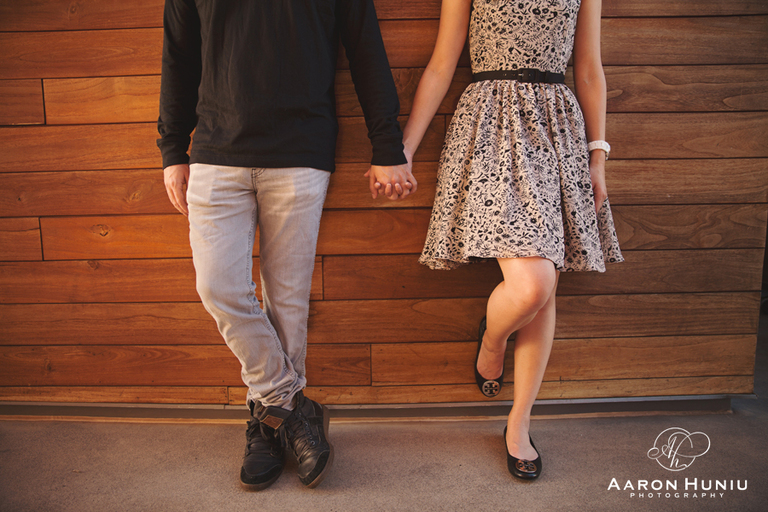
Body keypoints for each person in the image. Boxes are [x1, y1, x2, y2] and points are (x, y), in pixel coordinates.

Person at [158, 0, 416, 490]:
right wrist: (173, 147)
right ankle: (291, 408)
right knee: (219, 288)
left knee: (287, 303)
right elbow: (179, 54)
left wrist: (388, 146)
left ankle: (267, 425)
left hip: (301, 153)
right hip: (215, 151)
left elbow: (367, 52)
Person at [402, 0, 623, 480]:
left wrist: (598, 156)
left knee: (544, 279)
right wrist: (404, 149)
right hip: (490, 125)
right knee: (533, 285)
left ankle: (519, 420)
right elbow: (444, 61)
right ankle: (493, 337)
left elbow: (587, 67)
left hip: (556, 128)